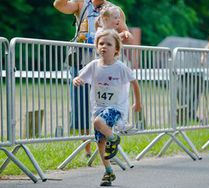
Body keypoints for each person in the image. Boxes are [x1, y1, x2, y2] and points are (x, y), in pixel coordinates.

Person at [53, 0, 136, 157]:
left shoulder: (115, 9)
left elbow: (125, 33)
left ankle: (107, 147)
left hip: (106, 64)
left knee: (107, 105)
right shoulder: (80, 3)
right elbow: (59, 5)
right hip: (82, 61)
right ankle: (87, 150)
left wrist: (125, 34)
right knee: (81, 105)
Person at [73, 29, 142, 186]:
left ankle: (114, 138)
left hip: (116, 108)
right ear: (97, 47)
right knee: (100, 142)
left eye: (109, 44)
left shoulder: (120, 67)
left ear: (116, 49)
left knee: (97, 123)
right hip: (98, 108)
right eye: (101, 43)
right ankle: (109, 172)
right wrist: (76, 80)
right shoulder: (93, 65)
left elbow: (135, 83)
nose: (104, 46)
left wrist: (138, 102)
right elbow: (80, 77)